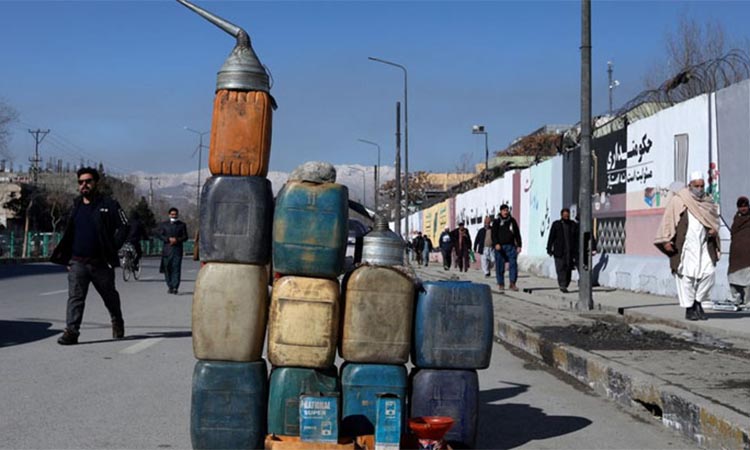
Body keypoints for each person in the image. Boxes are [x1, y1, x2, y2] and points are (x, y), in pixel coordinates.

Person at [50, 167, 129, 345]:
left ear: (96, 183)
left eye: (88, 181)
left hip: (101, 263)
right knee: (75, 298)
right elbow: (70, 233)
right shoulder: (76, 205)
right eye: (81, 182)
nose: (84, 185)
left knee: (110, 297)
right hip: (78, 262)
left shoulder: (109, 204)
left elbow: (125, 227)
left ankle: (117, 320)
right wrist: (67, 258)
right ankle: (72, 331)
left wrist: (112, 247)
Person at [654, 171, 720, 321]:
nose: (700, 188)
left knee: (709, 273)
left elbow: (714, 221)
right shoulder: (679, 200)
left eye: (702, 186)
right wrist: (666, 241)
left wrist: (713, 230)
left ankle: (698, 301)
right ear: (690, 185)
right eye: (696, 186)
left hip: (704, 245)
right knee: (686, 277)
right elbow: (669, 220)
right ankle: (690, 308)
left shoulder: (707, 201)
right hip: (685, 246)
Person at [724, 196, 750, 307]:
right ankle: (736, 298)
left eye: (745, 206)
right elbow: (734, 233)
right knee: (733, 277)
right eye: (741, 206)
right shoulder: (737, 218)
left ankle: (748, 301)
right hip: (736, 254)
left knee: (747, 279)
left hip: (748, 254)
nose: (743, 209)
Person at [157, 207, 189, 294]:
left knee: (176, 269)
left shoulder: (182, 225)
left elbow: (185, 237)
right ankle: (170, 285)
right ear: (169, 215)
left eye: (175, 214)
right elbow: (159, 235)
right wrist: (168, 239)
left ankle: (175, 287)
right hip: (167, 250)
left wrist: (177, 240)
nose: (174, 216)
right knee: (167, 269)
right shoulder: (164, 225)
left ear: (177, 215)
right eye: (172, 214)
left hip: (177, 250)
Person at [547, 208, 579, 292]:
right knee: (560, 268)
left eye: (567, 215)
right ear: (561, 215)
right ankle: (562, 285)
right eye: (564, 215)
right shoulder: (556, 224)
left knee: (568, 268)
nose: (566, 217)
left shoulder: (573, 225)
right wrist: (549, 249)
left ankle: (566, 283)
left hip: (569, 251)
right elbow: (551, 237)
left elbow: (576, 238)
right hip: (559, 251)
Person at [492, 204, 523, 291]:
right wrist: (496, 244)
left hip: (511, 246)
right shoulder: (497, 221)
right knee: (500, 266)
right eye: (504, 210)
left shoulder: (512, 221)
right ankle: (501, 283)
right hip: (500, 247)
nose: (506, 212)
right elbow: (493, 234)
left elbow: (517, 234)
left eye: (507, 210)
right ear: (501, 211)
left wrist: (519, 245)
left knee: (513, 264)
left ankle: (512, 283)